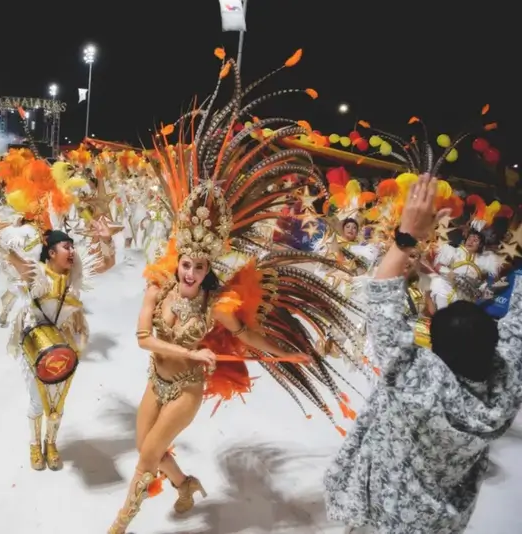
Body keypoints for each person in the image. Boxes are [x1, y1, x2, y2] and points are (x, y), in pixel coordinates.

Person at [108, 50, 362, 534]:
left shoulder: (214, 306)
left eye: (199, 266)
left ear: (207, 269)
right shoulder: (158, 285)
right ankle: (185, 486)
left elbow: (249, 337)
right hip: (155, 376)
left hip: (185, 389)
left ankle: (120, 523)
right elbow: (142, 340)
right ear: (179, 259)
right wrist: (190, 350)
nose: (189, 271)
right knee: (151, 448)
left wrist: (291, 354)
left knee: (144, 455)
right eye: (186, 262)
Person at [324, 174, 522, 534]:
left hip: (379, 509)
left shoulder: (417, 381)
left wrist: (405, 237)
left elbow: (381, 295)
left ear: (431, 349)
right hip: (437, 521)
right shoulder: (507, 389)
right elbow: (517, 332)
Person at [0, 218, 116, 471]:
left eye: (73, 247)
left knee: (58, 400)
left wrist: (105, 240)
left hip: (65, 343)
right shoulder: (37, 274)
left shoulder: (75, 276)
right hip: (34, 343)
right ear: (51, 253)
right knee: (38, 400)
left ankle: (51, 443)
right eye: (66, 247)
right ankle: (33, 444)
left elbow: (106, 263)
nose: (72, 251)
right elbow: (14, 258)